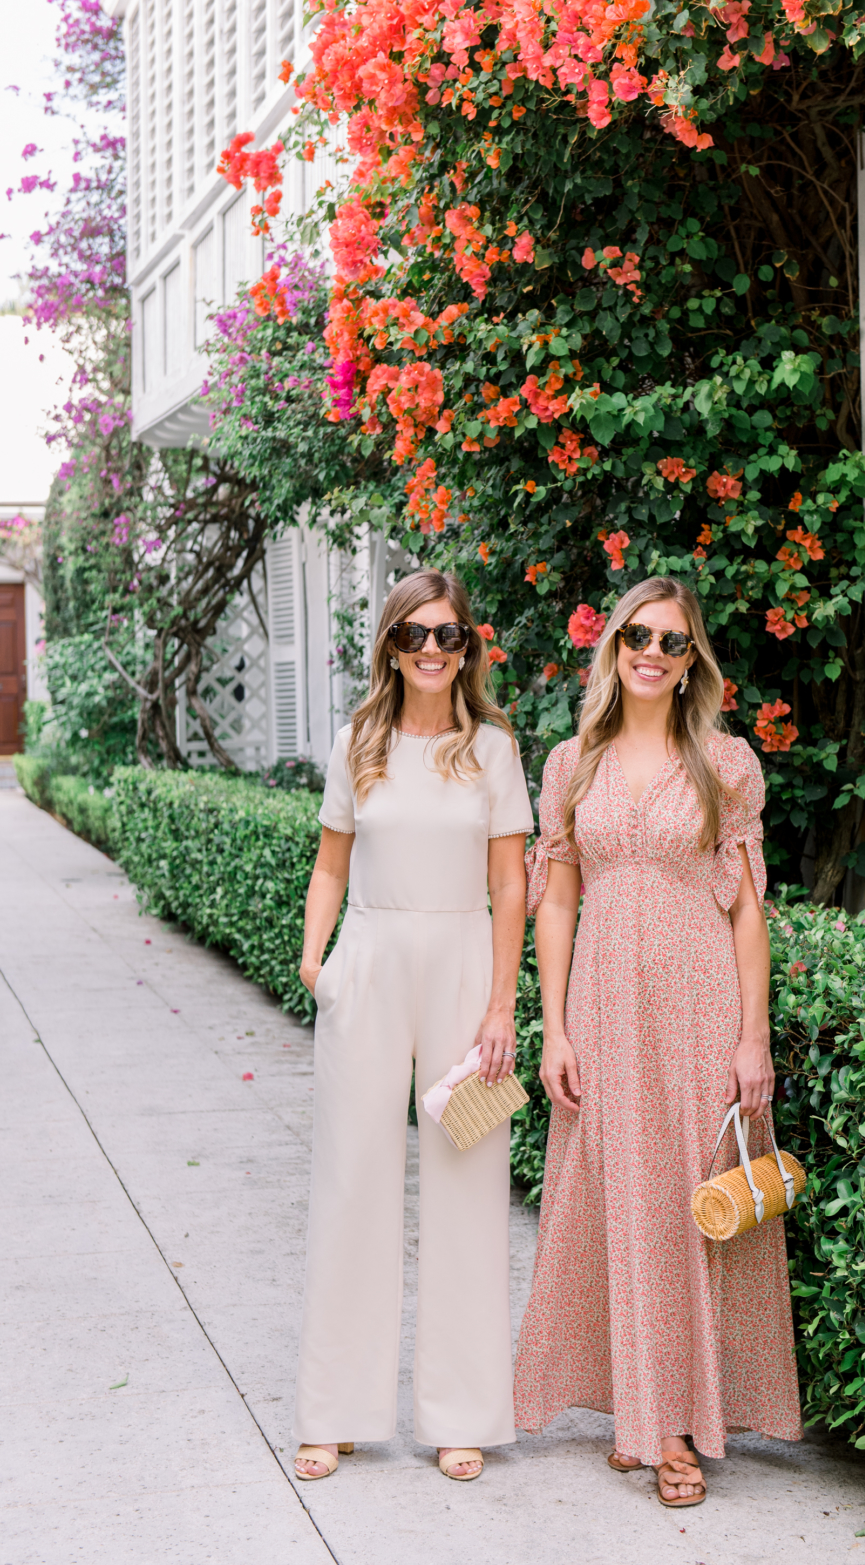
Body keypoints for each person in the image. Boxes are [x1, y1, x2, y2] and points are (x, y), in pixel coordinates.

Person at [513, 576, 801, 1507]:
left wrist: (753, 1039)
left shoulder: (728, 765)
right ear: (614, 648)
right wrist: (553, 1025)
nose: (651, 651)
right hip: (602, 1005)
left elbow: (749, 910)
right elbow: (555, 901)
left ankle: (674, 1428)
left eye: (672, 643)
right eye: (637, 634)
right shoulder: (571, 765)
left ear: (690, 665)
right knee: (616, 1202)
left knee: (688, 1210)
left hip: (700, 1004)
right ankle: (640, 1405)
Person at [293, 568, 533, 1484]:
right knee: (352, 1180)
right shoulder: (360, 741)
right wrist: (318, 961)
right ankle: (335, 1410)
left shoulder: (495, 752)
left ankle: (462, 1413)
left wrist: (503, 1004)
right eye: (413, 635)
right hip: (370, 964)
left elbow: (512, 884)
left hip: (467, 970)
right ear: (390, 645)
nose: (432, 650)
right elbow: (329, 866)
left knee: (467, 1183)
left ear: (468, 647)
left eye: (448, 635)